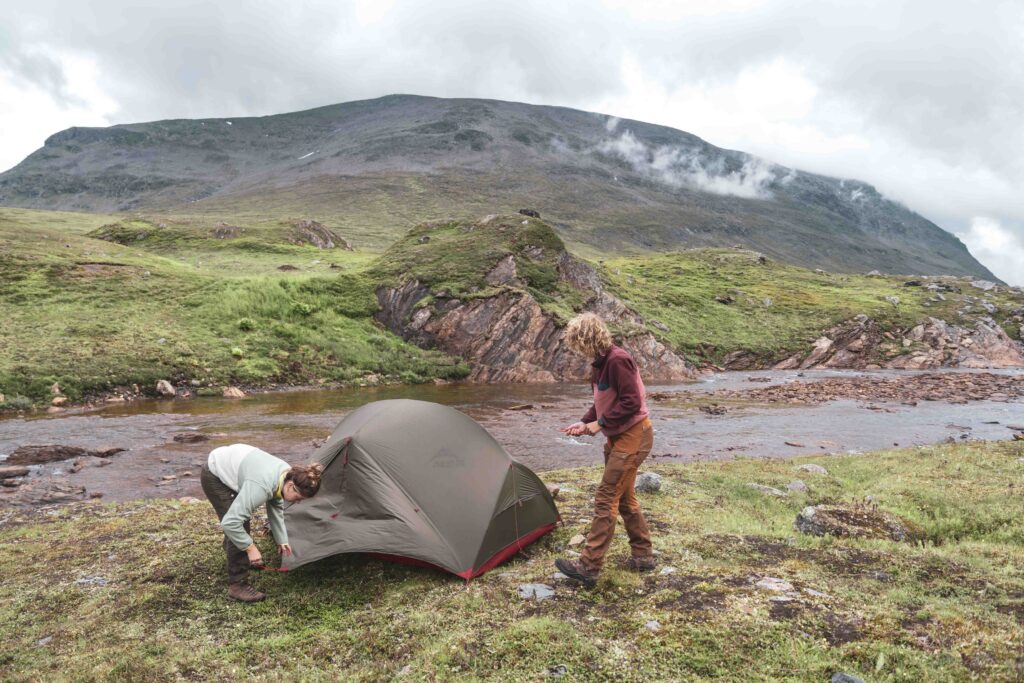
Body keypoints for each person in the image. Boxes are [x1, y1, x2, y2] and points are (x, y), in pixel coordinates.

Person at [555, 313, 655, 588]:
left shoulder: (618, 360)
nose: (576, 348)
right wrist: (585, 422)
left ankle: (589, 566)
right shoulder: (600, 364)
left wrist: (598, 425)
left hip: (635, 435)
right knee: (624, 499)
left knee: (606, 497)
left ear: (586, 339)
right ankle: (643, 556)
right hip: (618, 436)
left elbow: (632, 402)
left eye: (577, 342)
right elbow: (603, 402)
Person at [200, 443, 323, 602]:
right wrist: (250, 548)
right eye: (298, 498)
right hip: (215, 474)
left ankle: (236, 555)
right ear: (291, 486)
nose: (298, 502)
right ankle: (237, 586)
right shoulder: (262, 485)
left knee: (239, 522)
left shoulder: (286, 474)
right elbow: (230, 523)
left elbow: (276, 506)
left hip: (237, 467)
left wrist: (281, 539)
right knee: (239, 523)